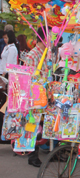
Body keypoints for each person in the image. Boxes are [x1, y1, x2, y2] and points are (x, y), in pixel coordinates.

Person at [24, 28, 48, 167]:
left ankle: (37, 151)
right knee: (34, 123)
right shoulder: (33, 55)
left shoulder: (45, 53)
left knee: (42, 123)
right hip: (35, 95)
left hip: (43, 93)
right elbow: (31, 77)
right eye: (50, 36)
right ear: (43, 38)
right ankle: (32, 155)